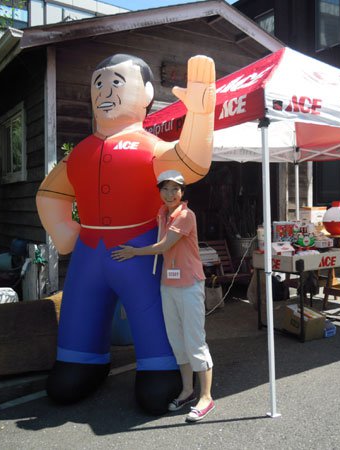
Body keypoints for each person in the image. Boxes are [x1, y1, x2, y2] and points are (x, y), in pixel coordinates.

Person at [35, 53, 215, 414]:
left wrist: (200, 115)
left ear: (146, 93)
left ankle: (160, 366)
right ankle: (80, 359)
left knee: (151, 313)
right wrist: (63, 230)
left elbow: (192, 163)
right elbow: (50, 193)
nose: (105, 91)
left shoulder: (151, 147)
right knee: (79, 311)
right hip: (89, 251)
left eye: (116, 83)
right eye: (98, 84)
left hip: (141, 247)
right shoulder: (81, 153)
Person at [112, 170, 215, 423]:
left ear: (182, 192)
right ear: (160, 192)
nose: (170, 194)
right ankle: (187, 391)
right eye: (165, 189)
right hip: (168, 285)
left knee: (195, 341)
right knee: (177, 341)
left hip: (190, 284)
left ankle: (206, 397)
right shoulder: (162, 213)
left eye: (175, 189)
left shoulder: (186, 215)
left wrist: (134, 252)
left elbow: (164, 246)